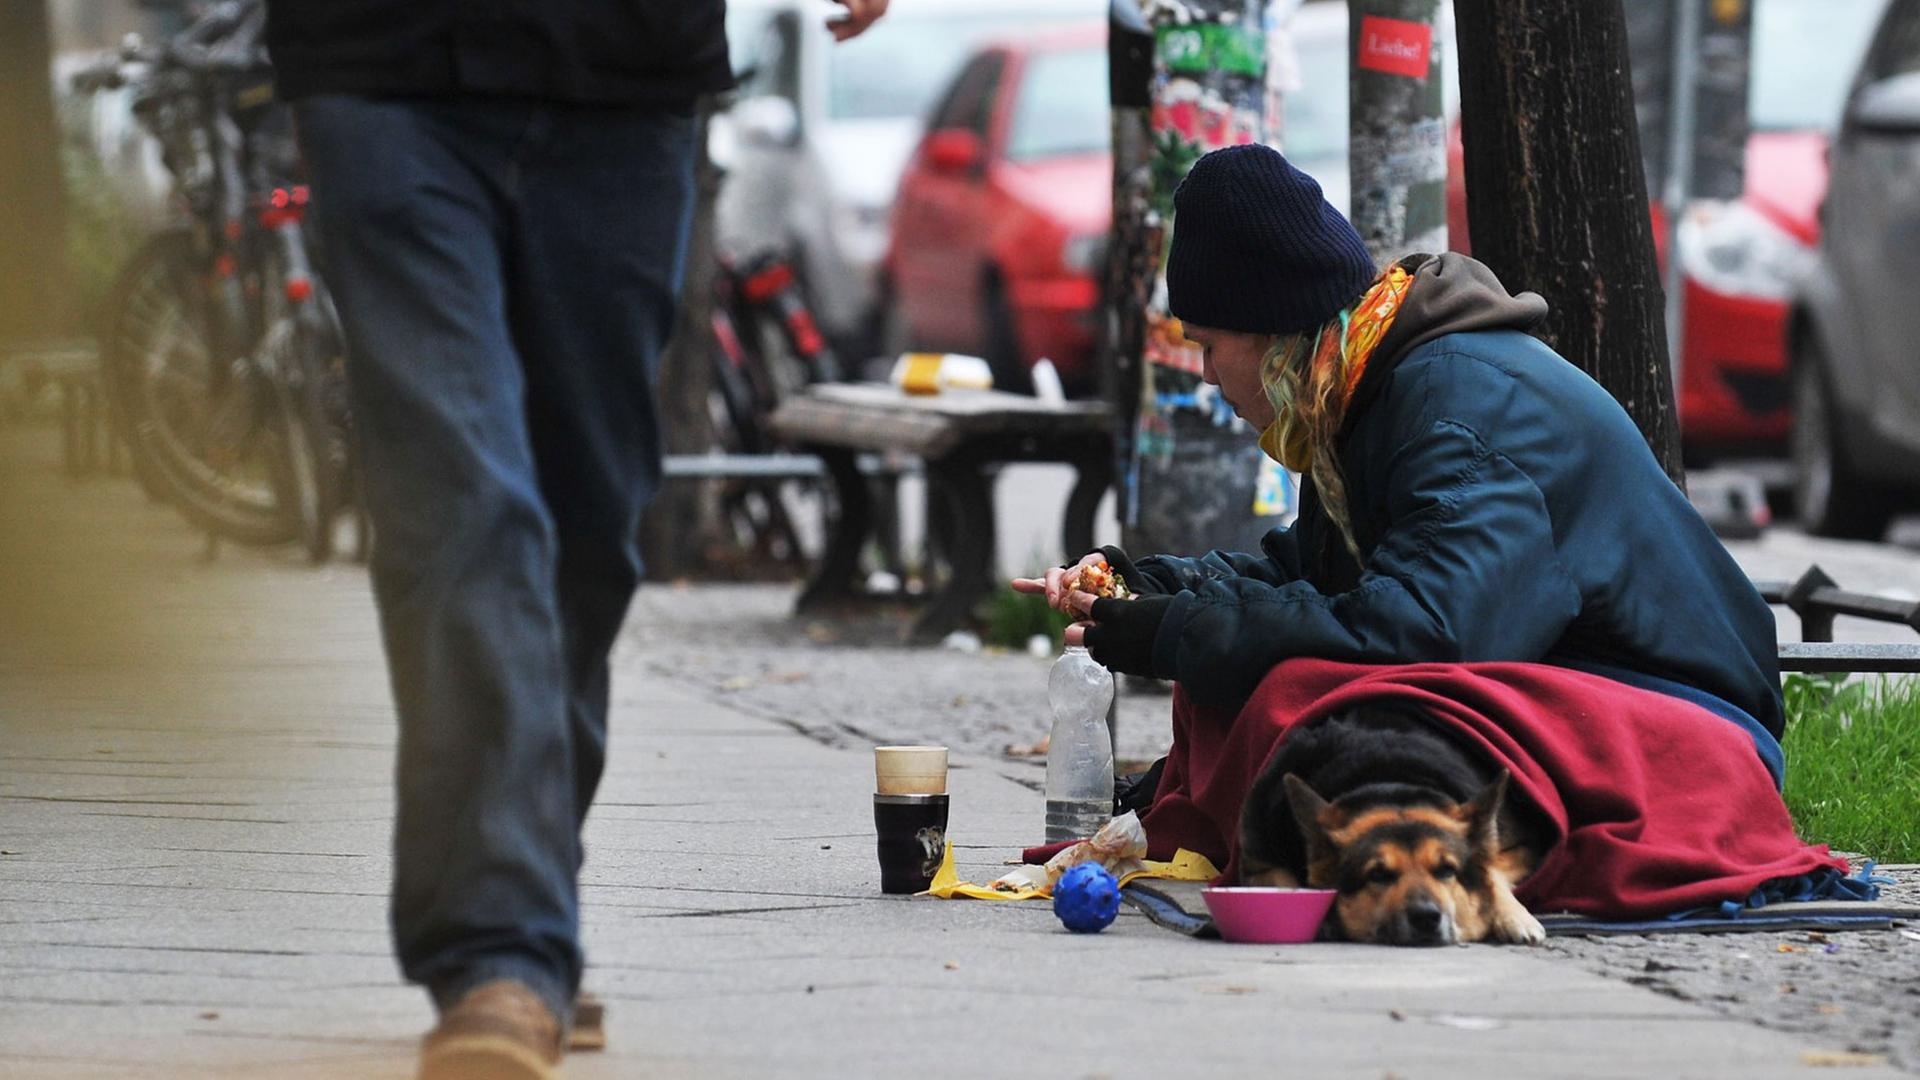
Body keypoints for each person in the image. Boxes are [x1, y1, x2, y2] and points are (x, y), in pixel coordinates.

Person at [264, 3, 888, 1077]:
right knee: (467, 504)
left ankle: (523, 886)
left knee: (586, 526)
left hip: (622, 74)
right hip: (384, 63)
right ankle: (502, 950)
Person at [1016, 143, 1784, 782]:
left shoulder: (1455, 404)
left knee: (1310, 704)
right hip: (1576, 691)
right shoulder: (1357, 388)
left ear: (1276, 333)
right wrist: (1146, 588)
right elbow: (1317, 581)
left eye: (1210, 345)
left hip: (1688, 727)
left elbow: (1427, 637)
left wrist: (1177, 633)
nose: (1209, 376)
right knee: (1265, 687)